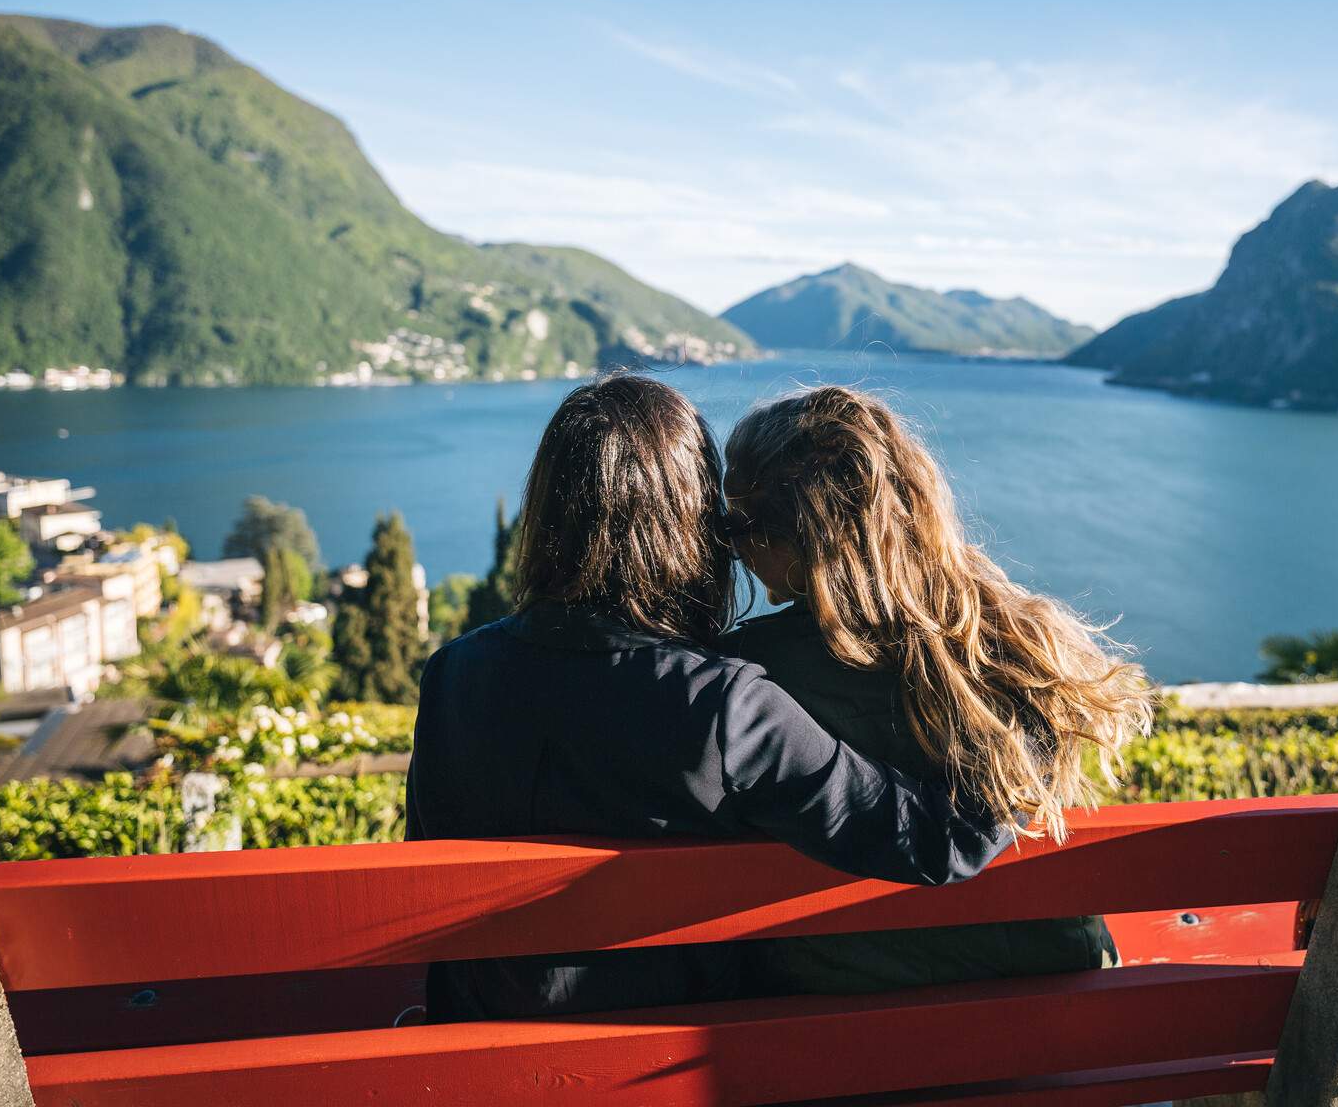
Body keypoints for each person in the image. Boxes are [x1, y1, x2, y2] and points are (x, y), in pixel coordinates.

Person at [406, 374, 1011, 1021]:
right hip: (667, 1066)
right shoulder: (722, 707)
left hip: (477, 1057)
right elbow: (943, 840)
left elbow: (426, 883)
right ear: (688, 520)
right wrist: (1021, 712)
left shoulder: (453, 676)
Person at [721, 385, 1154, 996]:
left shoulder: (747, 680)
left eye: (737, 523)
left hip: (842, 1022)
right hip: (1052, 1001)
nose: (733, 547)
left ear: (797, 533)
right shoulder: (1018, 644)